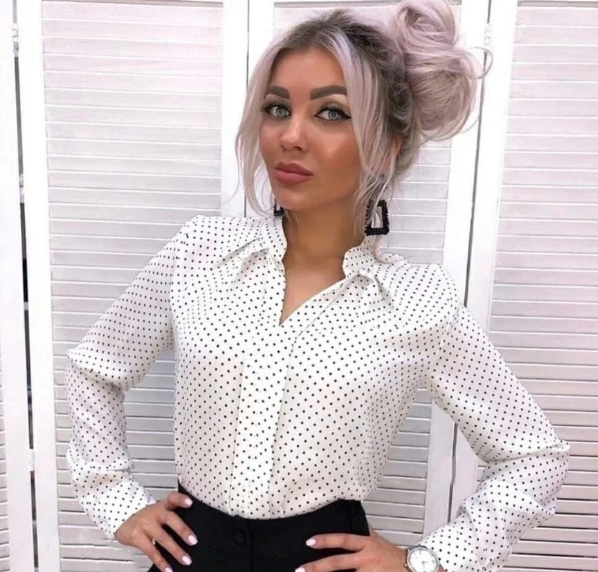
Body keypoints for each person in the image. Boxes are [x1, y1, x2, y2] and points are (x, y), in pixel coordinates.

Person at [64, 1, 571, 572]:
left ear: (387, 145)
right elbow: (95, 369)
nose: (290, 136)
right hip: (189, 553)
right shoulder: (201, 254)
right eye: (277, 108)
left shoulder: (416, 302)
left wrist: (429, 562)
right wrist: (115, 498)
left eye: (331, 113)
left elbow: (534, 455)